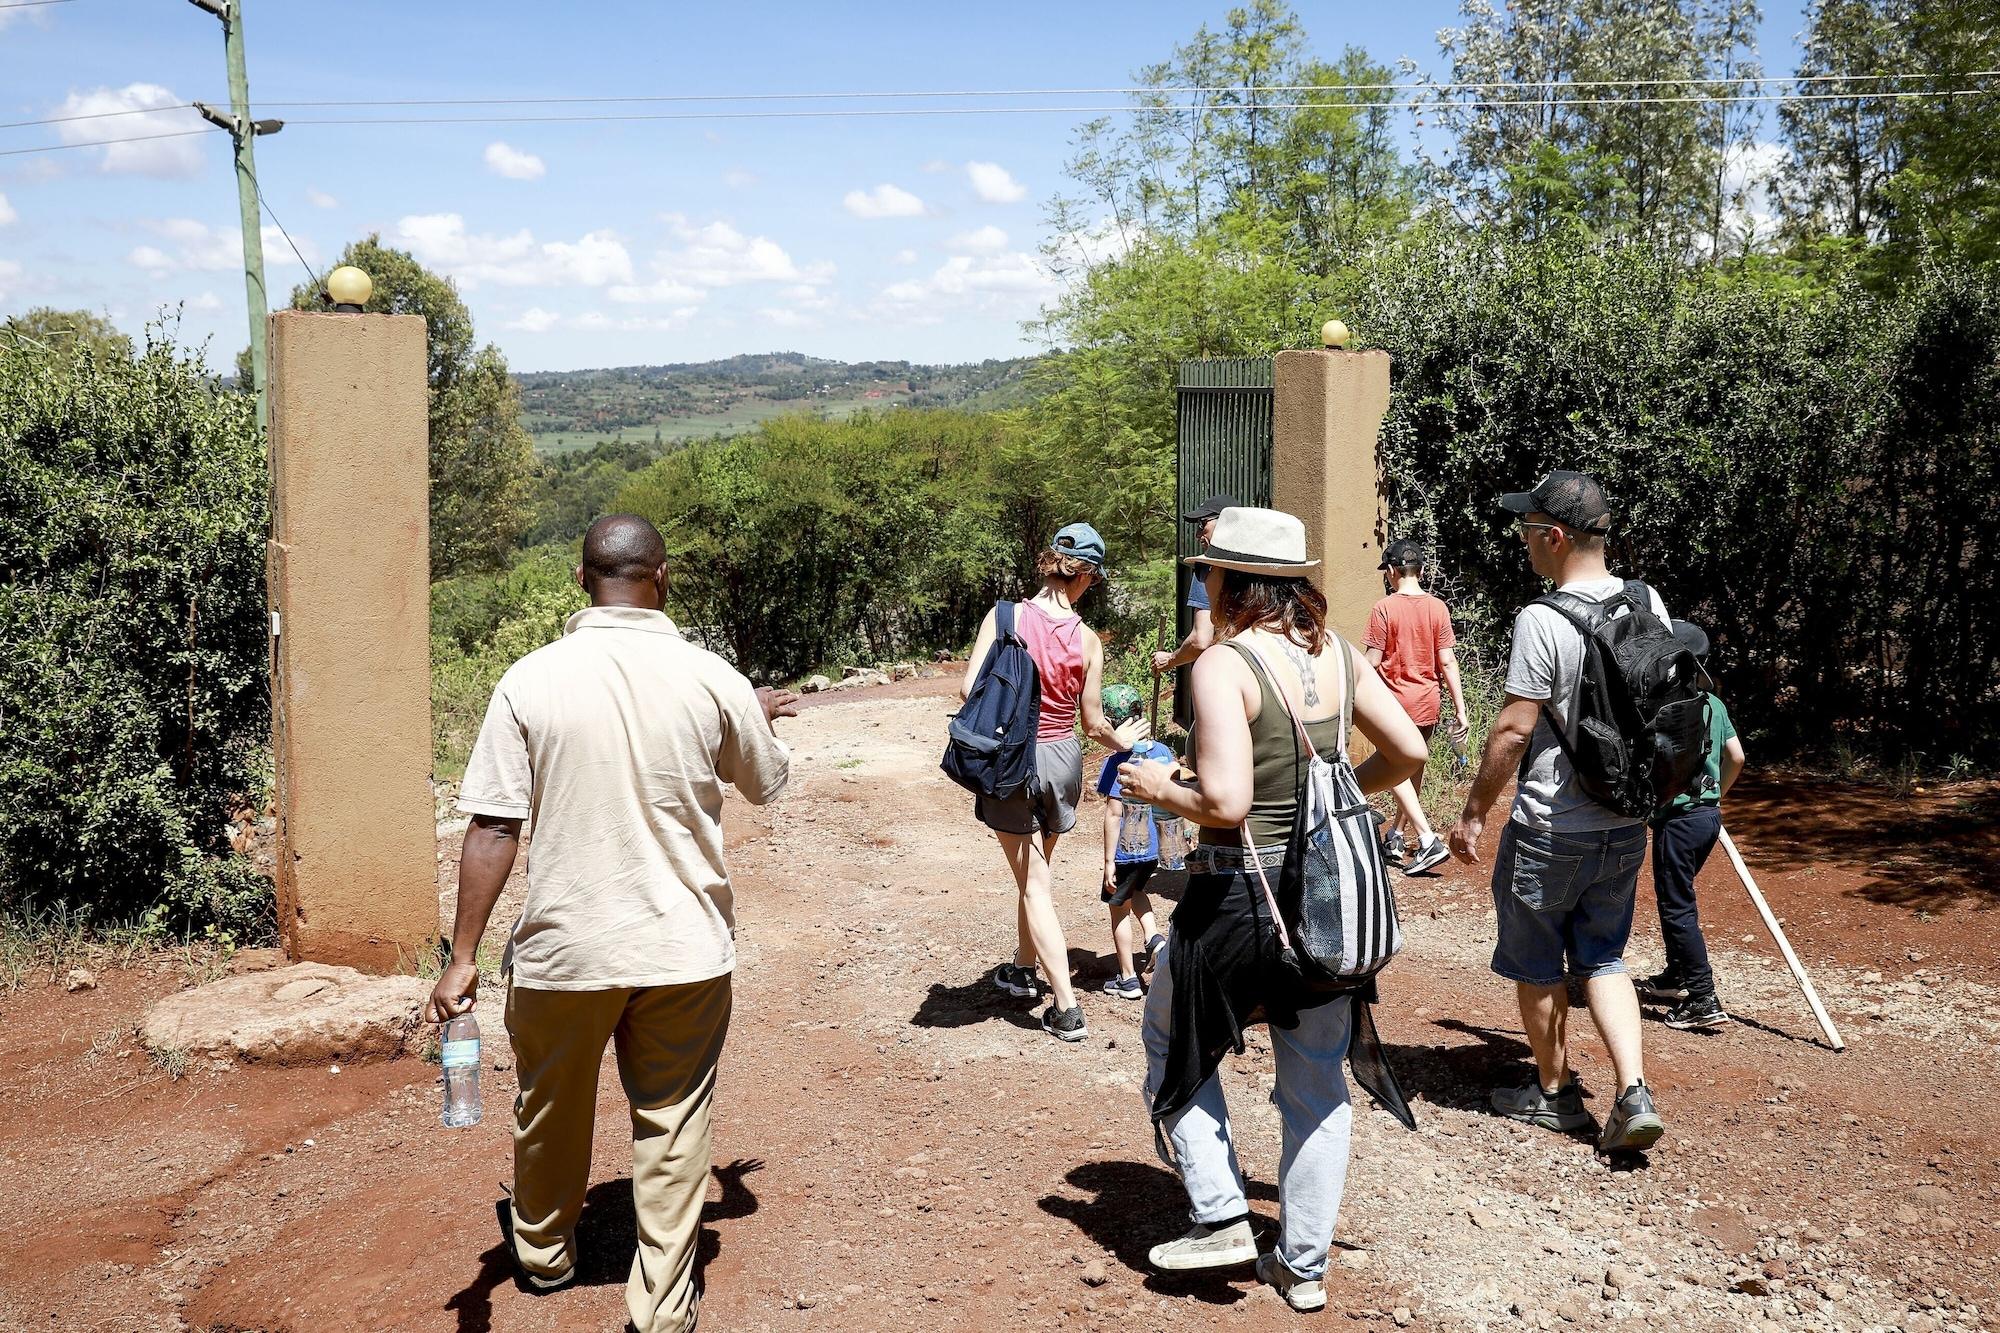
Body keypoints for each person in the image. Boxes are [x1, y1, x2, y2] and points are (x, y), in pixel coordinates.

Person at [424, 514, 795, 1333]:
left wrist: (461, 956)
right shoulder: (712, 677)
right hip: (683, 950)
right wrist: (751, 709)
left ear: (579, 579)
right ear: (663, 577)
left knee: (550, 1107)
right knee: (671, 1123)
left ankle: (545, 1255)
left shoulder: (531, 679)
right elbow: (765, 783)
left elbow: (493, 826)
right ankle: (661, 1307)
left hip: (565, 951)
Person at [1117, 506, 1427, 1312]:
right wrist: (1336, 796)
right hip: (1324, 904)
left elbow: (1224, 797)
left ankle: (1220, 1213)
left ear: (1234, 580)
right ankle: (1303, 1265)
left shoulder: (1225, 665)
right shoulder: (1339, 658)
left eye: (1209, 570)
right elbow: (1411, 751)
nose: (1204, 582)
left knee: (1169, 1038)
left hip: (1236, 899)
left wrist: (1158, 788)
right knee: (1317, 1081)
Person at [1446, 470, 1671, 1155]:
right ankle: (1633, 1089)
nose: (1521, 541)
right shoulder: (1648, 601)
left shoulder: (1543, 619)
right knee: (1603, 957)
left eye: (1526, 529)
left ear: (1554, 536)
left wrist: (1475, 810)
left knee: (1538, 961)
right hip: (1625, 820)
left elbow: (1514, 729)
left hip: (1549, 825)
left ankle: (1554, 1091)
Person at [962, 522, 1147, 1042]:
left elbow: (966, 688)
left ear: (1049, 564)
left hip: (1013, 761)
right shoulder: (1088, 640)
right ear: (1085, 575)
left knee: (1034, 883)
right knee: (1034, 873)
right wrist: (1122, 743)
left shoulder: (1004, 617)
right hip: (1062, 761)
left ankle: (1065, 1007)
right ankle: (1023, 968)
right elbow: (1092, 722)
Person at [1636, 619, 1744, 1031]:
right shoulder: (1713, 704)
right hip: (1706, 818)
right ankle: (1676, 974)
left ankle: (1702, 995)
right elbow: (1736, 756)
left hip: (1678, 821)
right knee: (1675, 894)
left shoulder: (1669, 710)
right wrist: (1717, 795)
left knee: (1677, 905)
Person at [1364, 538, 1472, 877]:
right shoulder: (1438, 607)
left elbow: (1372, 661)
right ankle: (1395, 835)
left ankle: (1427, 840)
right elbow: (1448, 661)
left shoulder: (1384, 609)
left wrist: (1349, 687)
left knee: (1394, 765)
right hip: (1427, 701)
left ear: (1392, 572)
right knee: (1411, 769)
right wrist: (1461, 708)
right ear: (1421, 571)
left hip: (1394, 702)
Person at [1095, 682, 1172, 1000]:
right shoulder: (1163, 752)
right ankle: (1154, 937)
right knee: (1137, 891)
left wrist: (1109, 861)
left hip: (1127, 850)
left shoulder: (1119, 762)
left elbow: (1114, 814)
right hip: (1152, 847)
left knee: (1118, 910)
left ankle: (1127, 978)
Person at [1151, 493, 1236, 677]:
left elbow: (1200, 640)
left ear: (1225, 522)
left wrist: (1170, 660)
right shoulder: (1263, 567)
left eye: (1202, 524)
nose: (1198, 534)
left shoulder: (1206, 567)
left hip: (1227, 675)